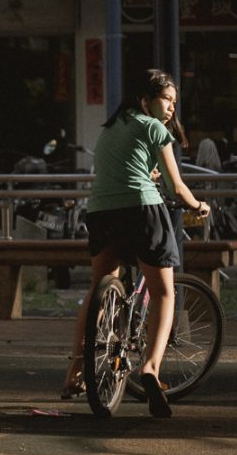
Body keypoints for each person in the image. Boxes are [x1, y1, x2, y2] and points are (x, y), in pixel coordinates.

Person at [61, 69, 210, 418]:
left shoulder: (110, 128)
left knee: (100, 286)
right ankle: (151, 369)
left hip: (101, 212)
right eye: (166, 99)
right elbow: (177, 188)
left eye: (174, 102)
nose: (171, 108)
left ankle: (75, 370)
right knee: (163, 292)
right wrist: (197, 205)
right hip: (141, 211)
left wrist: (148, 172)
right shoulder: (154, 128)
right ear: (145, 99)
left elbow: (123, 170)